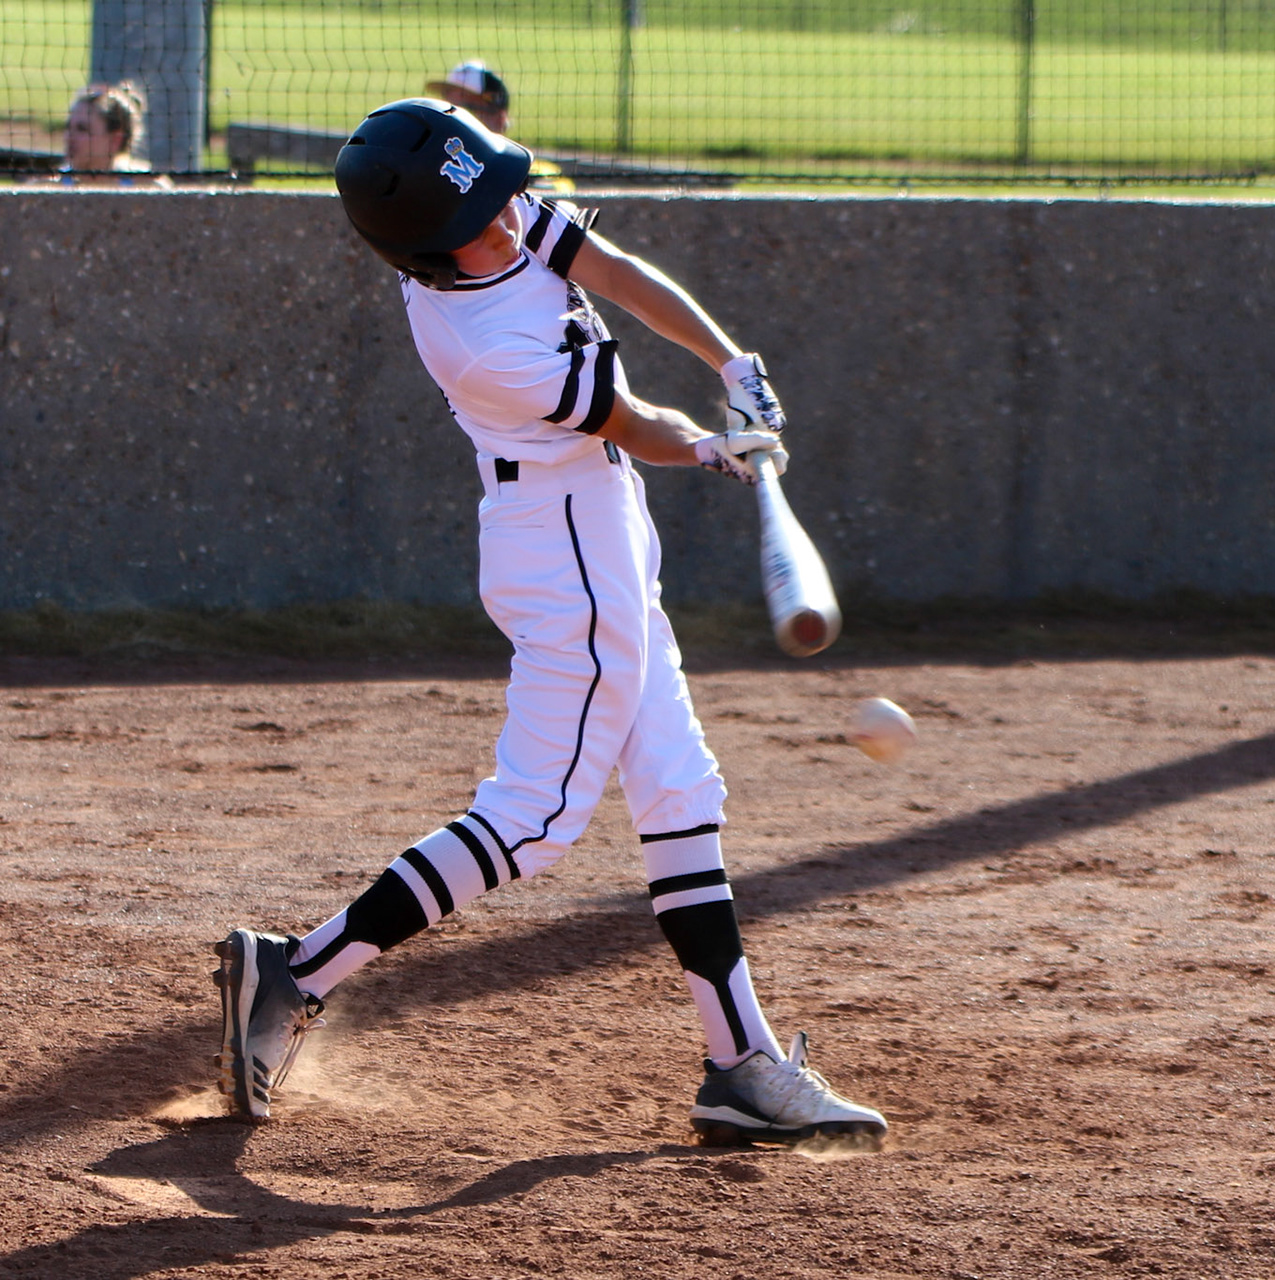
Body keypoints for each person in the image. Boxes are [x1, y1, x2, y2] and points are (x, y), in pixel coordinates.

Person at [213, 98, 886, 1148]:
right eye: (483, 213)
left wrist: (731, 362)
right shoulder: (484, 346)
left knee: (677, 787)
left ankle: (741, 1062)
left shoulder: (486, 216)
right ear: (429, 250)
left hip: (604, 530)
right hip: (561, 548)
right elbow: (637, 424)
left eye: (499, 193)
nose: (509, 217)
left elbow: (613, 270)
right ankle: (297, 969)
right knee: (534, 816)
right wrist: (720, 448)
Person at [424, 60, 572, 193]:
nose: (453, 119)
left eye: (467, 109)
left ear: (499, 117)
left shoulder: (537, 174)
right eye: (448, 109)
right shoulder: (431, 169)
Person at [55, 82, 163, 186]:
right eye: (68, 127)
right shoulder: (51, 185)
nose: (69, 137)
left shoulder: (146, 187)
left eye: (82, 129)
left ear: (115, 140)